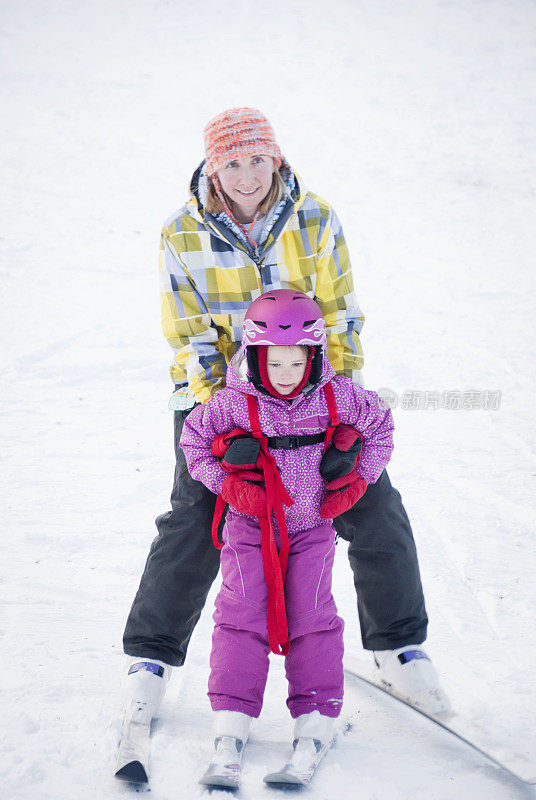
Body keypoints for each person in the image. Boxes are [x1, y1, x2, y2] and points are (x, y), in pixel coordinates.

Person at [117, 107, 448, 779]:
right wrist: (231, 412)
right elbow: (185, 334)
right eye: (232, 163)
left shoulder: (316, 218)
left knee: (372, 505)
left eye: (257, 160)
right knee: (195, 520)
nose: (246, 175)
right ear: (214, 167)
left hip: (313, 395)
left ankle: (401, 648)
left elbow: (342, 312)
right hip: (221, 405)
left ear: (278, 159)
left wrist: (343, 410)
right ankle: (150, 659)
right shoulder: (181, 233)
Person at [179, 289, 394, 782]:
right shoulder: (233, 402)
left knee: (312, 616)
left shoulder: (338, 396)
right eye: (274, 363)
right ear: (254, 357)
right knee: (240, 613)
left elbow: (380, 428)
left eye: (296, 363)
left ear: (313, 356)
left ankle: (315, 719)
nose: (285, 375)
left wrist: (359, 477)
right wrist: (228, 482)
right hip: (249, 527)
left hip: (311, 527)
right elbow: (194, 445)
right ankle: (231, 722)